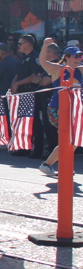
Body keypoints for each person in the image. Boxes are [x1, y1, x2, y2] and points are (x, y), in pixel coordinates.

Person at [38, 39, 83, 177]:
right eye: (76, 56)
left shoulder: (80, 70)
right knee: (70, 138)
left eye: (80, 56)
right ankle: (47, 164)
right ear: (67, 57)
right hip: (57, 109)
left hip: (74, 110)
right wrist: (45, 45)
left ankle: (62, 164)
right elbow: (43, 62)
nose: (79, 59)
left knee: (74, 139)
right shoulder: (58, 69)